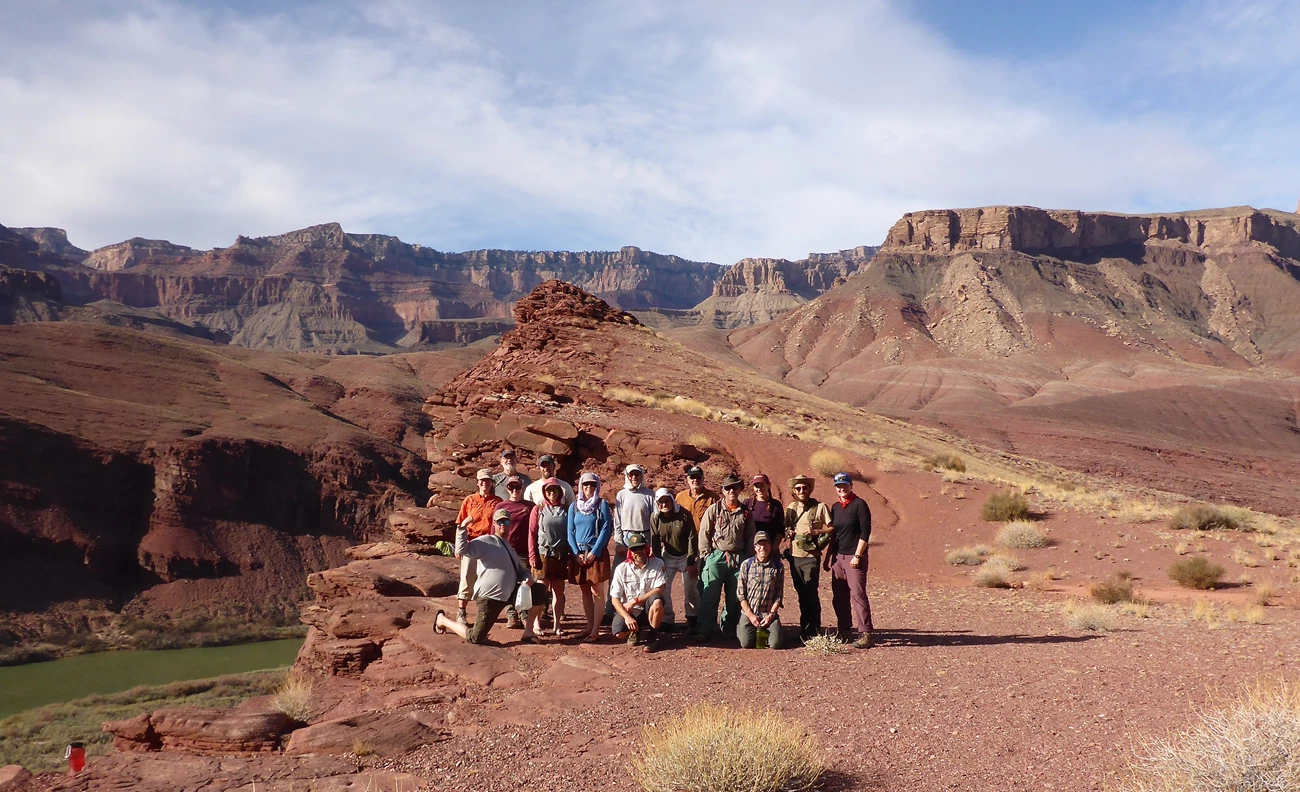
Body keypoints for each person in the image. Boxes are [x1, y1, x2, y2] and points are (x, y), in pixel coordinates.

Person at [435, 509, 539, 645]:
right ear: (494, 524)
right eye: (500, 521)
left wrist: (527, 577)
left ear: (510, 524)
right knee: (475, 638)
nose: (503, 524)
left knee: (539, 591)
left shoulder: (509, 548)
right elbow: (462, 550)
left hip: (510, 594)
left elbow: (522, 570)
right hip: (490, 597)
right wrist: (462, 527)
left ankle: (528, 631)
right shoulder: (485, 541)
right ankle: (442, 620)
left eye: (506, 521)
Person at [696, 473, 754, 641]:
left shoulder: (745, 512)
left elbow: (750, 536)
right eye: (728, 488)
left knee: (735, 596)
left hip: (739, 558)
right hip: (716, 556)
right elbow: (704, 532)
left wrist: (749, 557)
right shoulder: (714, 509)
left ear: (739, 489)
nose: (731, 491)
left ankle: (729, 627)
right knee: (710, 594)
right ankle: (705, 628)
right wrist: (706, 554)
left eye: (734, 487)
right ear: (723, 491)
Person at [824, 472, 874, 649]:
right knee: (839, 596)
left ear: (851, 485)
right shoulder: (836, 507)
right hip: (838, 557)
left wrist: (858, 556)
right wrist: (828, 558)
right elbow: (834, 535)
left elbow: (865, 532)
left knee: (857, 594)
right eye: (838, 486)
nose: (841, 488)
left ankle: (865, 633)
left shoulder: (859, 505)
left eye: (844, 485)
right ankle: (844, 631)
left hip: (854, 556)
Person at [784, 474, 833, 641]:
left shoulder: (820, 507)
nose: (802, 490)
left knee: (811, 591)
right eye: (798, 488)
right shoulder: (791, 507)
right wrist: (788, 533)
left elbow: (832, 528)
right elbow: (786, 528)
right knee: (801, 593)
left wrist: (817, 532)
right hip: (794, 556)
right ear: (794, 491)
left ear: (809, 489)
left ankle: (815, 627)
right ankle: (804, 628)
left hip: (811, 556)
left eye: (805, 487)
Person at [568, 472, 613, 642]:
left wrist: (595, 551)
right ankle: (588, 626)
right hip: (579, 553)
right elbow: (570, 531)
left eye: (592, 485)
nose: (588, 488)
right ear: (581, 486)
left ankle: (595, 630)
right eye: (585, 485)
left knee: (597, 591)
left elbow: (606, 529)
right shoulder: (574, 507)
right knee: (585, 590)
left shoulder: (602, 505)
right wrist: (575, 553)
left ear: (596, 487)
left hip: (596, 553)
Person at [454, 469, 502, 626]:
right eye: (482, 480)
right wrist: (458, 546)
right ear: (477, 482)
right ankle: (461, 612)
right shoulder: (469, 500)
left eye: (488, 480)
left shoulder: (497, 501)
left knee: (488, 579)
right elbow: (460, 524)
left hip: (490, 543)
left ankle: (485, 613)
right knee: (467, 577)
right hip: (471, 542)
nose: (484, 483)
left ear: (492, 483)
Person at [608, 531, 666, 652]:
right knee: (619, 634)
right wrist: (627, 617)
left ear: (646, 548)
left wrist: (635, 601)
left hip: (647, 608)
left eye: (640, 548)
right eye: (634, 549)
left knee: (657, 602)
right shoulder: (621, 568)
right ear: (630, 551)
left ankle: (652, 635)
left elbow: (660, 589)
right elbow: (614, 599)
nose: (638, 551)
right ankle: (636, 630)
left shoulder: (657, 563)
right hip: (630, 611)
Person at [650, 487, 697, 630]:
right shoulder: (655, 517)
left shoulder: (683, 515)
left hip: (686, 555)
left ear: (672, 500)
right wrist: (658, 562)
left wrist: (691, 561)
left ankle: (693, 618)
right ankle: (667, 619)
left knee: (690, 588)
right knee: (664, 587)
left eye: (666, 501)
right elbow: (655, 541)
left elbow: (692, 537)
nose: (664, 505)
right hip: (668, 556)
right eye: (660, 502)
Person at [529, 478, 571, 636]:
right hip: (543, 555)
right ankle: (536, 624)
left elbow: (571, 532)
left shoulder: (567, 509)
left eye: (555, 490)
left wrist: (570, 557)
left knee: (558, 592)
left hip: (560, 555)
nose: (552, 493)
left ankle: (557, 624)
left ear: (560, 492)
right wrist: (532, 555)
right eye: (549, 491)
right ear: (544, 492)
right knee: (541, 590)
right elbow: (532, 533)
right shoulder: (538, 509)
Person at [497, 475, 535, 629]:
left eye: (517, 487)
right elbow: (494, 529)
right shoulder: (501, 506)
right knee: (507, 583)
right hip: (505, 550)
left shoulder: (530, 506)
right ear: (507, 489)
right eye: (511, 487)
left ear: (522, 488)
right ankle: (511, 614)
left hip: (524, 551)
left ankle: (525, 614)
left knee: (524, 584)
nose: (514, 490)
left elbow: (535, 529)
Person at [737, 531, 785, 649]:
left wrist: (771, 615)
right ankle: (743, 627)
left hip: (768, 613)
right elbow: (741, 594)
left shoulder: (778, 567)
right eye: (759, 545)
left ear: (770, 546)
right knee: (746, 643)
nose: (762, 548)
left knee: (775, 644)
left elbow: (779, 595)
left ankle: (769, 629)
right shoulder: (746, 565)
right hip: (750, 613)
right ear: (755, 547)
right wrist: (750, 615)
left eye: (765, 544)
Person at [744, 474, 785, 555]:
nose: (759, 489)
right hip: (750, 550)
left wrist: (773, 549)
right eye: (756, 486)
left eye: (762, 485)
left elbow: (780, 530)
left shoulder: (776, 505)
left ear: (768, 485)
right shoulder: (747, 504)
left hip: (769, 550)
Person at [675, 466, 718, 534]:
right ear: (688, 480)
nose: (695, 480)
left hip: (705, 538)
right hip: (685, 537)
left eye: (698, 477)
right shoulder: (680, 497)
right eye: (692, 477)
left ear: (703, 479)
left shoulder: (713, 497)